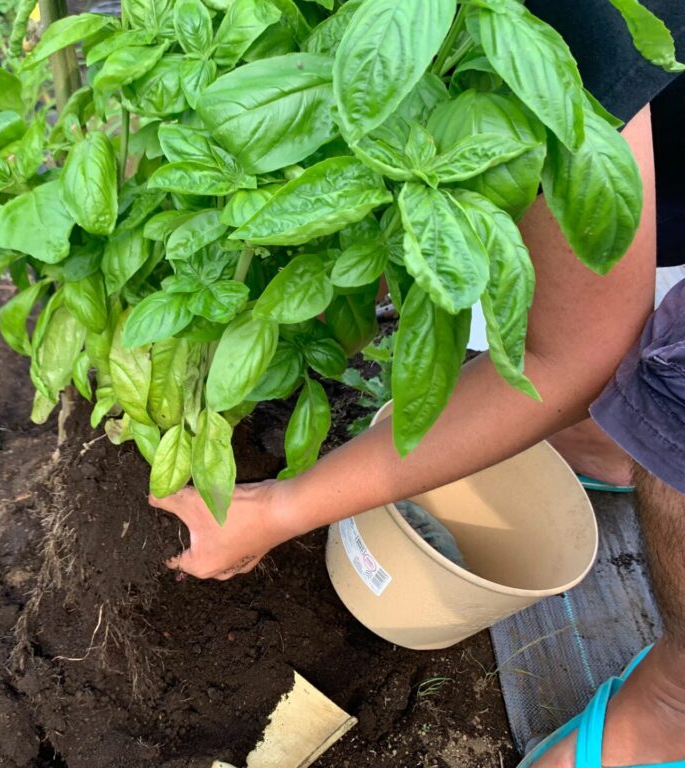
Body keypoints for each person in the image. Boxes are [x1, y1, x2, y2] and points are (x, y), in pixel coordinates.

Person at [149, 2, 685, 765]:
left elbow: (566, 358)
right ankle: (599, 434)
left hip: (604, 98)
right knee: (597, 327)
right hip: (641, 123)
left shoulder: (560, 33)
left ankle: (675, 704)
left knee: (674, 407)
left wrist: (282, 507)